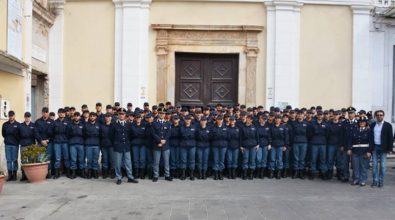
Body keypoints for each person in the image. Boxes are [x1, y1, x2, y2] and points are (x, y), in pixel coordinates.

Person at [111, 108, 138, 185]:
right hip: (118, 146)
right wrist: (115, 144)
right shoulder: (114, 125)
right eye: (120, 114)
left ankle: (130, 177)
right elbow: (111, 136)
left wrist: (128, 142)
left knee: (128, 163)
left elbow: (132, 135)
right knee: (118, 163)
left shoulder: (128, 125)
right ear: (118, 115)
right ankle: (119, 177)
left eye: (123, 114)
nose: (121, 115)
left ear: (125, 115)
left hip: (126, 146)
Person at [370, 110, 393, 188]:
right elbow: (370, 137)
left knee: (382, 166)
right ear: (375, 116)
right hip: (375, 147)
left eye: (381, 115)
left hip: (384, 148)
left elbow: (390, 138)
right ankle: (375, 181)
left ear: (383, 116)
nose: (379, 116)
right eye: (378, 115)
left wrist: (390, 149)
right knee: (374, 166)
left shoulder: (388, 125)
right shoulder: (372, 125)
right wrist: (370, 148)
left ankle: (381, 181)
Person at [347, 117, 371, 186]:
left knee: (363, 166)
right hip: (355, 151)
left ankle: (363, 180)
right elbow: (350, 140)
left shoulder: (369, 131)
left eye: (363, 122)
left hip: (364, 151)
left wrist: (369, 151)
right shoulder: (354, 130)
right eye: (360, 122)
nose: (362, 123)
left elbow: (371, 142)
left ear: (366, 123)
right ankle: (356, 179)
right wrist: (349, 149)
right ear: (358, 123)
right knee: (355, 166)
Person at [150, 108, 172, 182]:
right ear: (158, 114)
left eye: (163, 113)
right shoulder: (154, 123)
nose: (162, 114)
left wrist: (164, 140)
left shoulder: (168, 123)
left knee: (166, 161)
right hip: (157, 145)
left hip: (165, 145)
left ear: (165, 114)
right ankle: (155, 175)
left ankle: (167, 175)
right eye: (160, 113)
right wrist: (159, 141)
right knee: (156, 162)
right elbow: (153, 134)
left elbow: (169, 133)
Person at [50, 108, 70, 179]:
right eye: (60, 113)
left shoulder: (67, 122)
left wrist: (66, 139)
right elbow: (51, 133)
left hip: (65, 142)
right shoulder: (54, 122)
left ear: (64, 114)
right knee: (57, 158)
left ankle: (68, 173)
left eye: (62, 113)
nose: (61, 114)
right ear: (58, 114)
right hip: (57, 143)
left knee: (66, 158)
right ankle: (57, 173)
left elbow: (69, 133)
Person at [35, 107, 54, 178]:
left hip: (49, 143)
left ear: (48, 113)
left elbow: (54, 133)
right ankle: (41, 172)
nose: (45, 113)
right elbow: (36, 132)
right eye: (44, 112)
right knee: (41, 157)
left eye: (46, 112)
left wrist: (47, 140)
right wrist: (41, 141)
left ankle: (47, 172)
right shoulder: (38, 121)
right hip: (40, 143)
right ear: (42, 113)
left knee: (48, 158)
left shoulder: (52, 122)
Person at [269, 115, 289, 179]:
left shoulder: (283, 127)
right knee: (272, 159)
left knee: (279, 159)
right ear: (275, 120)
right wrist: (269, 143)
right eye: (276, 119)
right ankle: (272, 172)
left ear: (280, 120)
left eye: (279, 119)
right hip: (273, 145)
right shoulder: (272, 127)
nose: (277, 120)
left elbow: (286, 137)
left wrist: (285, 145)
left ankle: (278, 172)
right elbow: (269, 136)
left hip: (281, 145)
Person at [240, 115, 259, 180]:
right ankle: (245, 173)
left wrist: (258, 144)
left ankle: (251, 174)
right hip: (245, 146)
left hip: (253, 146)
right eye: (247, 119)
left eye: (249, 119)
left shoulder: (254, 127)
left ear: (251, 120)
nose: (248, 120)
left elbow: (257, 136)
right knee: (245, 159)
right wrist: (241, 146)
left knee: (252, 160)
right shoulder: (243, 128)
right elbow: (240, 138)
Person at [326, 111, 344, 180]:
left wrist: (342, 145)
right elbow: (327, 135)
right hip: (331, 144)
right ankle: (329, 173)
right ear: (332, 116)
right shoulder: (329, 124)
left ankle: (339, 174)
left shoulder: (341, 125)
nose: (336, 116)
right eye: (334, 115)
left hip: (339, 145)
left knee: (339, 160)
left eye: (337, 115)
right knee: (330, 159)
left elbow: (342, 136)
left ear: (338, 116)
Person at [2, 111, 19, 181]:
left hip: (15, 144)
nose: (11, 117)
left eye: (12, 116)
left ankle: (14, 175)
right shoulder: (5, 124)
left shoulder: (18, 124)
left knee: (14, 160)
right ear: (8, 116)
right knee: (9, 160)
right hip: (7, 144)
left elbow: (19, 134)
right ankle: (10, 175)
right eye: (10, 116)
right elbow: (3, 134)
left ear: (14, 116)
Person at [291, 110, 308, 179]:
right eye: (299, 114)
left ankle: (301, 172)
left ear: (303, 115)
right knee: (296, 158)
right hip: (296, 142)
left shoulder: (306, 123)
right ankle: (296, 171)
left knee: (302, 158)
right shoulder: (294, 123)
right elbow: (292, 134)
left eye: (301, 114)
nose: (300, 115)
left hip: (304, 142)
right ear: (297, 115)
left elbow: (309, 133)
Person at [67, 112, 85, 179]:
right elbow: (67, 134)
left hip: (81, 143)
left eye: (78, 116)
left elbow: (85, 134)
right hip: (72, 144)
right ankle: (73, 173)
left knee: (81, 159)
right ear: (73, 117)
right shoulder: (70, 125)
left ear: (79, 117)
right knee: (73, 159)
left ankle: (82, 172)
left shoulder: (82, 125)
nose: (76, 117)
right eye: (75, 116)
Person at [211, 115, 229, 180]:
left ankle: (220, 173)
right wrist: (220, 136)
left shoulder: (226, 127)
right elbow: (211, 136)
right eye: (218, 120)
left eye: (221, 120)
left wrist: (218, 136)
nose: (219, 121)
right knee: (216, 160)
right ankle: (215, 174)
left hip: (223, 146)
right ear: (216, 120)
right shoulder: (213, 127)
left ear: (222, 120)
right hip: (215, 146)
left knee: (221, 160)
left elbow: (228, 137)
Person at [179, 114, 197, 180]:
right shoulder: (181, 127)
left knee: (192, 160)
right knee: (183, 160)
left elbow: (195, 135)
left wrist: (187, 134)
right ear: (184, 120)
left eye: (189, 119)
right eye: (186, 119)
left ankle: (191, 175)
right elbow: (182, 134)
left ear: (191, 120)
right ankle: (183, 174)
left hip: (192, 146)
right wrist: (189, 135)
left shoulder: (194, 127)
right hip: (183, 145)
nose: (188, 120)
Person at [83, 112, 101, 179]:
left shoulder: (98, 125)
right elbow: (84, 134)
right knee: (89, 159)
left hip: (96, 144)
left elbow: (100, 135)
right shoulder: (86, 125)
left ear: (95, 117)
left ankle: (95, 171)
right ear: (89, 117)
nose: (92, 117)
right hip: (88, 145)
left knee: (95, 159)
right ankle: (89, 172)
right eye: (91, 116)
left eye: (93, 116)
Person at [130, 113, 147, 179]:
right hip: (134, 144)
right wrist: (139, 133)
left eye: (139, 118)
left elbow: (145, 135)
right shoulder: (132, 125)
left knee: (142, 159)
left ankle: (142, 173)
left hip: (142, 145)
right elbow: (132, 134)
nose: (138, 119)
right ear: (135, 118)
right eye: (137, 118)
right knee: (135, 159)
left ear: (141, 118)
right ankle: (136, 173)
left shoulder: (144, 125)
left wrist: (136, 133)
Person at [256, 113, 271, 179]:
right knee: (259, 159)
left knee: (264, 159)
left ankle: (262, 173)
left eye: (261, 119)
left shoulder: (267, 127)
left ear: (264, 120)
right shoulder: (257, 126)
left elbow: (269, 136)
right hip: (259, 145)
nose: (259, 120)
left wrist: (269, 144)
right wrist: (257, 144)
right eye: (259, 118)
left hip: (265, 145)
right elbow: (256, 136)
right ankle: (258, 172)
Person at [100, 113, 114, 179]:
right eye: (106, 117)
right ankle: (105, 173)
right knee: (105, 159)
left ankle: (112, 173)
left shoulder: (114, 126)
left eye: (109, 117)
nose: (107, 118)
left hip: (112, 145)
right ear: (105, 118)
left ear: (111, 118)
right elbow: (99, 135)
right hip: (104, 145)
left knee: (112, 160)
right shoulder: (102, 126)